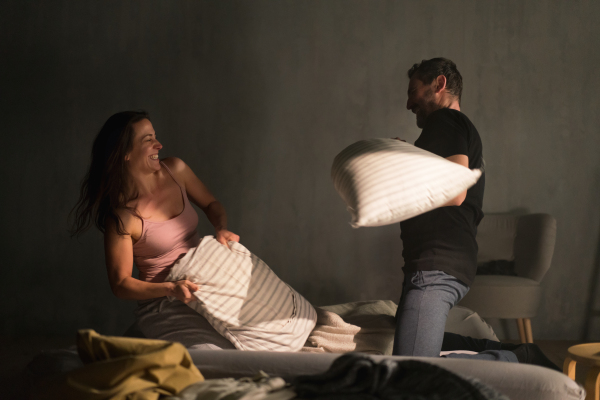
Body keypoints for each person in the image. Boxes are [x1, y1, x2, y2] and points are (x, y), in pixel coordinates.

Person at [393, 58, 559, 370]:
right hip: (433, 263)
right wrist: (406, 156)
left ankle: (518, 359)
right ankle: (512, 352)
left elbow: (455, 191)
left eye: (413, 91)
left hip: (435, 264)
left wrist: (401, 163)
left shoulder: (445, 122)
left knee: (410, 367)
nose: (408, 103)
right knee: (408, 346)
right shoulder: (447, 130)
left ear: (439, 84)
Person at [71, 111, 238, 349]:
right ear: (125, 153)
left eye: (155, 136)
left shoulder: (176, 170)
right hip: (165, 303)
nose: (158, 144)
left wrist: (221, 228)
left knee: (263, 333)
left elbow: (212, 204)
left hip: (207, 284)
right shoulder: (123, 218)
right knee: (213, 354)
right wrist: (172, 288)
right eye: (148, 140)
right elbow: (120, 284)